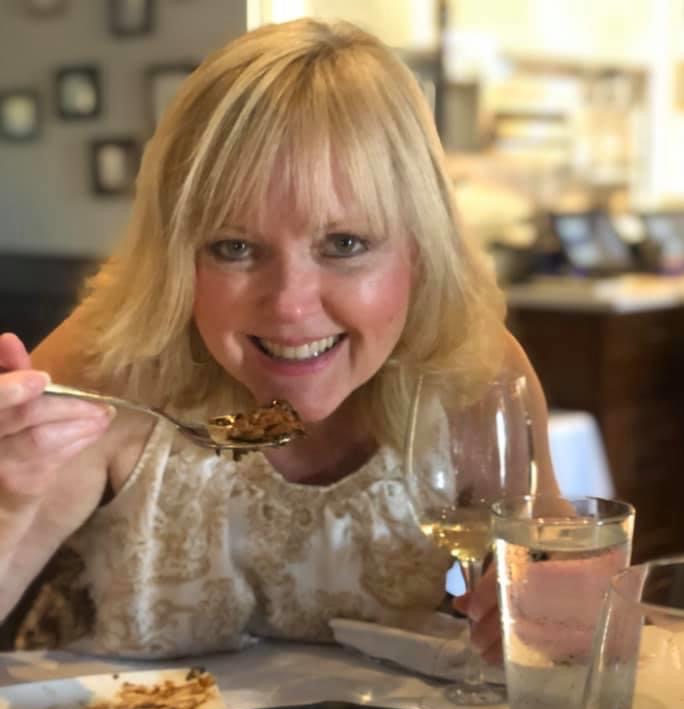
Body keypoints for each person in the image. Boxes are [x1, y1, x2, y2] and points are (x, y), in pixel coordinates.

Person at [0, 17, 558, 660]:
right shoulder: (108, 368)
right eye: (234, 248)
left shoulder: (471, 373)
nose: (291, 307)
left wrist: (556, 604)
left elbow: (555, 567)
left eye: (345, 244)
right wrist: (9, 495)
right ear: (178, 255)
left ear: (421, 250)